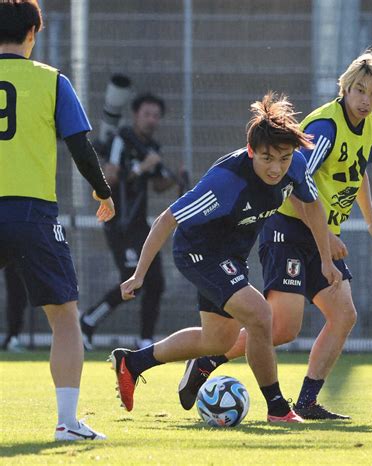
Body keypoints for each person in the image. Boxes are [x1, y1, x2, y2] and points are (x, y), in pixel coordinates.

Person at [178, 50, 372, 420]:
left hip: (323, 233)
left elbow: (358, 173)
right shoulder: (324, 128)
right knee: (281, 328)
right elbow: (298, 187)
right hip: (290, 227)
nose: (365, 100)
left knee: (343, 315)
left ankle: (307, 402)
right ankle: (209, 357)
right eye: (359, 90)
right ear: (345, 87)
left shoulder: (371, 126)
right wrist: (325, 236)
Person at [111, 91, 343, 423]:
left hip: (231, 255)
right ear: (251, 152)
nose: (276, 168)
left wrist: (325, 259)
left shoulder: (297, 165)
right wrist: (139, 274)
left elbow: (312, 206)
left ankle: (132, 363)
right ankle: (278, 408)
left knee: (217, 340)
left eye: (284, 158)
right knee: (262, 316)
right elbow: (166, 220)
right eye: (267, 158)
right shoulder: (225, 181)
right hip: (197, 251)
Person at [0, 0, 115, 441]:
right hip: (31, 213)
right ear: (33, 32)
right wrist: (103, 192)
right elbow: (81, 148)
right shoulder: (51, 82)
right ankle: (67, 423)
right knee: (65, 317)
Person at [80, 93, 184, 350]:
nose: (151, 120)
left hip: (140, 226)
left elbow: (159, 185)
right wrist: (141, 168)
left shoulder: (152, 149)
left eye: (156, 116)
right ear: (136, 115)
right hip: (119, 223)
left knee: (156, 282)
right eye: (147, 114)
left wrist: (176, 178)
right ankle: (87, 321)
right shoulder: (121, 140)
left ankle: (145, 340)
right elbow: (109, 180)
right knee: (131, 277)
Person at [1, 264, 28, 352]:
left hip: (22, 265)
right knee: (15, 300)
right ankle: (12, 339)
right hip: (14, 264)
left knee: (21, 301)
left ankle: (13, 338)